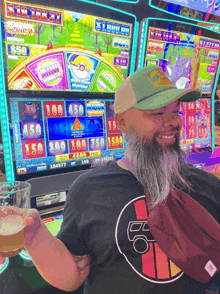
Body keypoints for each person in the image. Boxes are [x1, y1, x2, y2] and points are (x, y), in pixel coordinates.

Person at [1, 66, 220, 293]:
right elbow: (72, 278)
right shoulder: (89, 189)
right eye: (157, 113)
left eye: (176, 111)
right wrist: (36, 237)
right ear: (121, 122)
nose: (173, 121)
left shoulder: (206, 185)